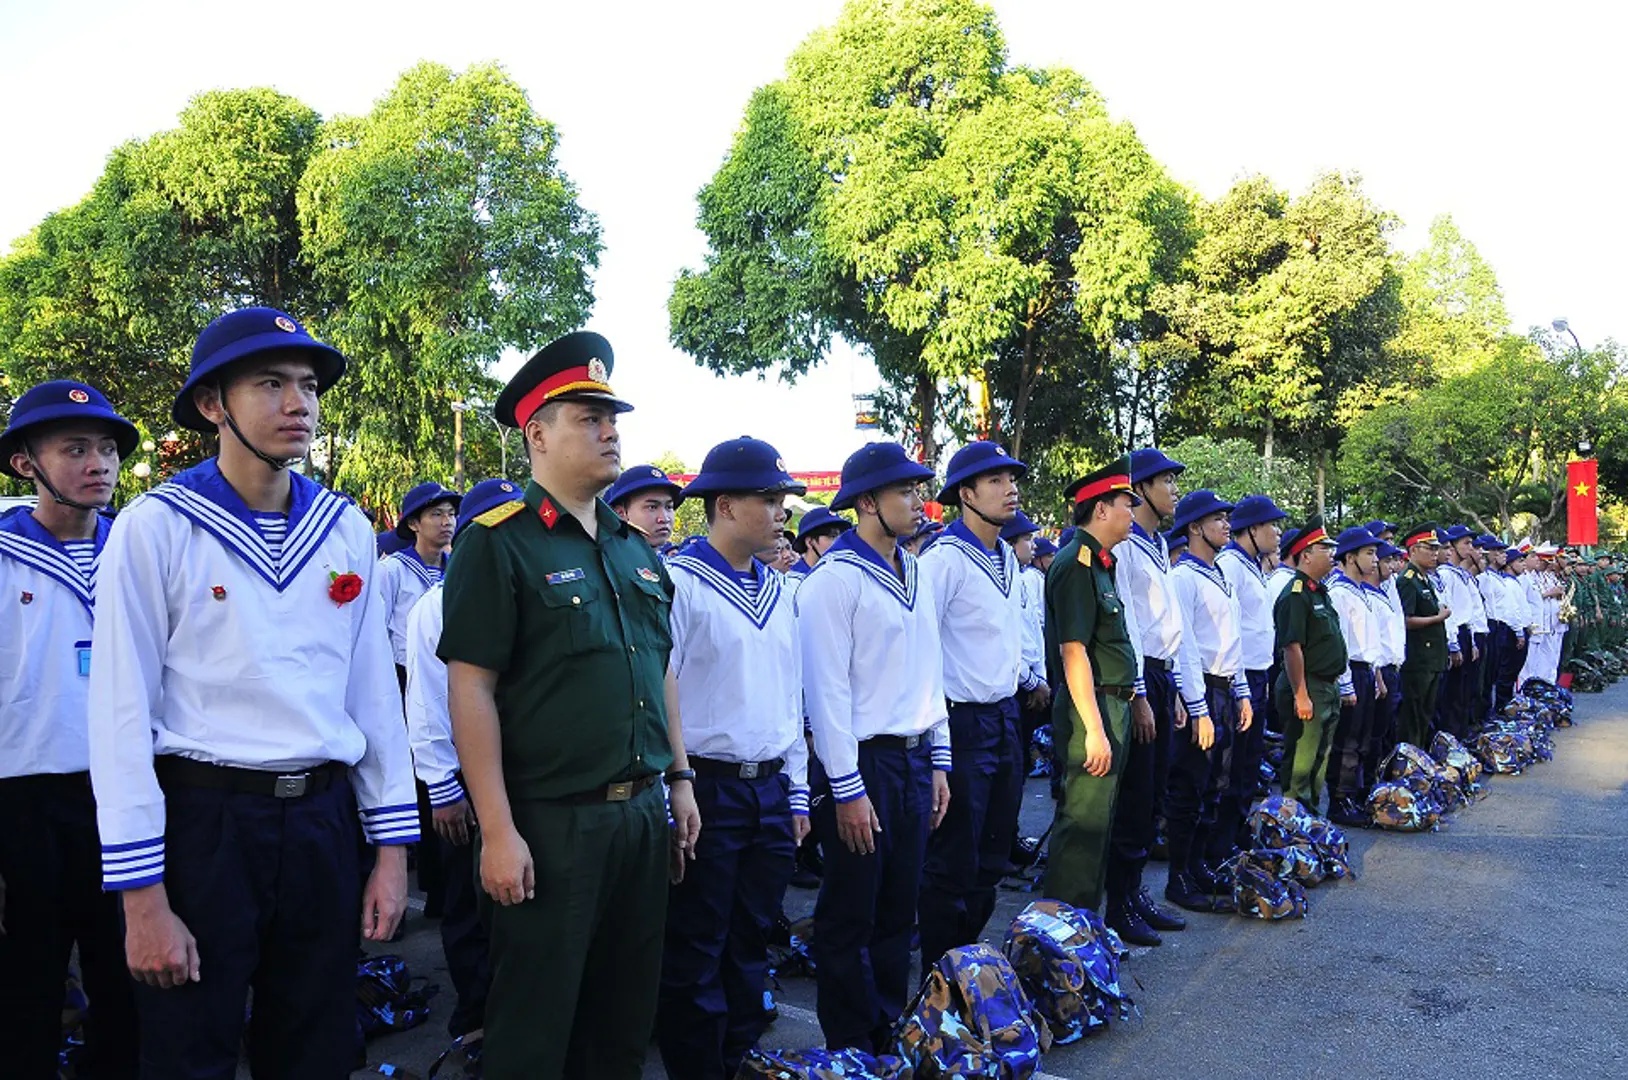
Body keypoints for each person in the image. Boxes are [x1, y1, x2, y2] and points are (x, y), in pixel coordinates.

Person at [88, 308, 418, 1076]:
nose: (298, 402)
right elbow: (119, 714)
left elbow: (371, 694)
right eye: (270, 383)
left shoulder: (343, 528)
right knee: (187, 1045)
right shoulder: (157, 525)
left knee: (317, 1043)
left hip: (322, 823)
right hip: (207, 821)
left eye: (307, 385)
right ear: (213, 404)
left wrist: (392, 851)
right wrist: (143, 899)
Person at [438, 331, 700, 1079]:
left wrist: (678, 780)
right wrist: (496, 830)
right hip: (550, 824)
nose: (611, 430)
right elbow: (472, 687)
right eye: (589, 416)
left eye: (612, 417)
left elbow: (660, 672)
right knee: (533, 1031)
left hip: (640, 818)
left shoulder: (634, 548)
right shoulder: (498, 544)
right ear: (537, 433)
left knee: (621, 1025)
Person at [653, 437, 809, 1080]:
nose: (782, 513)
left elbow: (789, 694)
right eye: (768, 500)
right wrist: (676, 786)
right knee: (696, 945)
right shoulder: (678, 582)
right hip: (706, 788)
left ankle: (738, 1056)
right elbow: (661, 694)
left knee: (751, 940)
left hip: (768, 788)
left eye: (782, 500)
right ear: (723, 505)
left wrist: (796, 791)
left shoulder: (781, 589)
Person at [0, 380, 141, 1080]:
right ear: (26, 462)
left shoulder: (137, 550)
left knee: (125, 969)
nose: (99, 463)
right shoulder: (3, 552)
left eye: (108, 449)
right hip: (25, 796)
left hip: (124, 791)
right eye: (75, 448)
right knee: (30, 968)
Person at [796, 441, 950, 1054]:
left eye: (918, 489)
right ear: (866, 503)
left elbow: (928, 668)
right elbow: (825, 694)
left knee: (898, 909)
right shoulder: (832, 581)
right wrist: (846, 788)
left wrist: (938, 757)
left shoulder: (914, 568)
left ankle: (886, 1028)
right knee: (850, 912)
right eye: (904, 492)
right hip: (862, 764)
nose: (918, 501)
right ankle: (850, 1042)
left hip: (913, 757)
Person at [404, 478, 520, 1060]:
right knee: (468, 907)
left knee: (520, 907)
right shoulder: (435, 605)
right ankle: (476, 1017)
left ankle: (520, 1014)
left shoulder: (526, 589)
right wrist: (444, 788)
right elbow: (425, 705)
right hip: (463, 783)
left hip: (524, 781)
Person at [917, 442, 1039, 968]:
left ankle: (968, 966)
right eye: (995, 481)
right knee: (953, 861)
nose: (1010, 488)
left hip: (1005, 716)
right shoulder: (943, 560)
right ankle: (939, 982)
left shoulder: (1005, 559)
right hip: (960, 721)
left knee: (992, 856)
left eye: (1011, 479)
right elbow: (920, 650)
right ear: (965, 494)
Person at [1043, 457, 1142, 918]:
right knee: (1081, 827)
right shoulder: (1076, 563)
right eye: (1126, 503)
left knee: (1100, 822)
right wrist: (1095, 730)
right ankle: (1061, 940)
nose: (1132, 512)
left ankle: (1084, 930)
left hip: (1110, 705)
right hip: (1093, 708)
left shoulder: (1101, 563)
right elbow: (1073, 652)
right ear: (1100, 509)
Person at [1106, 448, 1191, 942]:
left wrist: (1173, 687)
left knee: (1154, 791)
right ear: (1140, 490)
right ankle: (1118, 904)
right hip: (1138, 678)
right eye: (1167, 483)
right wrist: (1139, 692)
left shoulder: (1156, 545)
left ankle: (1136, 894)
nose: (1174, 492)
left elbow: (1166, 628)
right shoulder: (1124, 546)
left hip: (1161, 676)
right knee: (1135, 796)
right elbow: (1128, 625)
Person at [1166, 490, 1252, 913]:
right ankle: (1178, 877)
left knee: (1215, 784)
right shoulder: (1183, 576)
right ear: (1195, 527)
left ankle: (1198, 864)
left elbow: (1229, 639)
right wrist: (1196, 706)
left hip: (1223, 687)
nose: (1226, 525)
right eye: (1217, 519)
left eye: (1226, 518)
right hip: (1200, 688)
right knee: (1190, 786)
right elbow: (1184, 645)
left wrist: (1241, 692)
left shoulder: (1217, 573)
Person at [379, 479, 461, 917]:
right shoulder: (393, 570)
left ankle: (443, 885)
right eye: (436, 514)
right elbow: (373, 630)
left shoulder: (456, 567)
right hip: (401, 679)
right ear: (413, 523)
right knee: (422, 782)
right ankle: (424, 878)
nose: (446, 522)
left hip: (451, 679)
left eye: (450, 514)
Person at [1217, 494, 1287, 830]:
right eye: (1271, 524)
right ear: (1253, 529)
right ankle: (1222, 840)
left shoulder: (1252, 564)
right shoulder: (1231, 563)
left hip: (1258, 674)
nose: (1277, 531)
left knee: (1249, 760)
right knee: (1233, 763)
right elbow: (1227, 626)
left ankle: (1238, 829)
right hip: (1238, 677)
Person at [1272, 517, 1347, 806]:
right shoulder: (1296, 595)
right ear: (1305, 556)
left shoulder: (1319, 591)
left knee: (1319, 758)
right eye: (1324, 549)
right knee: (1300, 763)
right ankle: (1292, 826)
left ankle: (1312, 820)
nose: (1332, 554)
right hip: (1308, 685)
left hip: (1327, 686)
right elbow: (1292, 648)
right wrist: (1301, 694)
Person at [1325, 528, 1385, 825]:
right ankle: (1339, 801)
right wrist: (1347, 683)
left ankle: (1354, 795)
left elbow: (1369, 640)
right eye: (1369, 554)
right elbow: (1342, 643)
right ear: (1350, 557)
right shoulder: (1339, 592)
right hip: (1349, 671)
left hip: (1366, 671)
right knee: (1347, 741)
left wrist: (1377, 674)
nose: (1375, 560)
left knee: (1362, 739)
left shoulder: (1360, 590)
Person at [1393, 524, 1452, 749]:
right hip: (1418, 660)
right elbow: (1405, 620)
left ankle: (1421, 757)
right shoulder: (1407, 580)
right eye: (1430, 549)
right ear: (1414, 550)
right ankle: (1410, 760)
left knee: (1426, 712)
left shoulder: (1424, 578)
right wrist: (1437, 618)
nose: (1435, 554)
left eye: (1437, 549)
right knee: (1414, 715)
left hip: (1432, 658)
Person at [1004, 511, 1051, 776]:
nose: (1033, 546)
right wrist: (1031, 682)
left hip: (1032, 679)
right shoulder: (1018, 578)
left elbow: (1034, 633)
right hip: (1019, 683)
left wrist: (1040, 678)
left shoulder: (1021, 577)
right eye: (1027, 539)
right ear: (1010, 543)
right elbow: (1013, 639)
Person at [1364, 541, 1408, 783]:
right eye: (1386, 561)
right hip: (1378, 672)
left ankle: (1385, 781)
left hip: (1393, 669)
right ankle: (1371, 785)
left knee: (1387, 731)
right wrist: (1379, 676)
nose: (1392, 567)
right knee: (1373, 735)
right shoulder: (1365, 595)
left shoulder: (1383, 592)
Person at [605, 463, 684, 551]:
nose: (664, 518)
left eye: (669, 507)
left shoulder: (666, 563)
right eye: (652, 507)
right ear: (621, 513)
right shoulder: (607, 561)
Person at [787, 506, 852, 593]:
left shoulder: (840, 574)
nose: (839, 542)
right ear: (809, 542)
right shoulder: (793, 584)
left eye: (841, 536)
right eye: (832, 536)